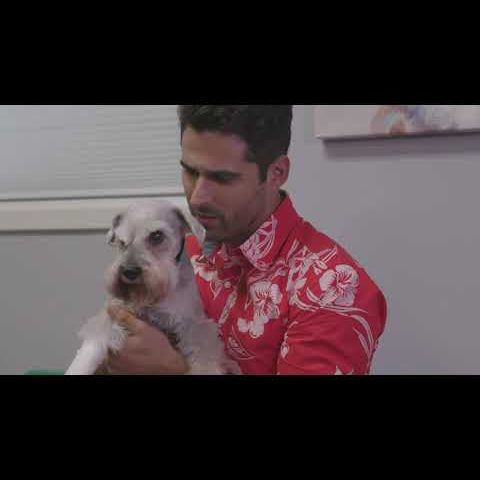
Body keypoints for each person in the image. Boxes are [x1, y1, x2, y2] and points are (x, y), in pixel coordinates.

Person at [104, 105, 387, 375]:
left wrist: (172, 370)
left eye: (222, 178)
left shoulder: (332, 289)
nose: (198, 197)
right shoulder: (180, 251)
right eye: (190, 172)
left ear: (277, 173)